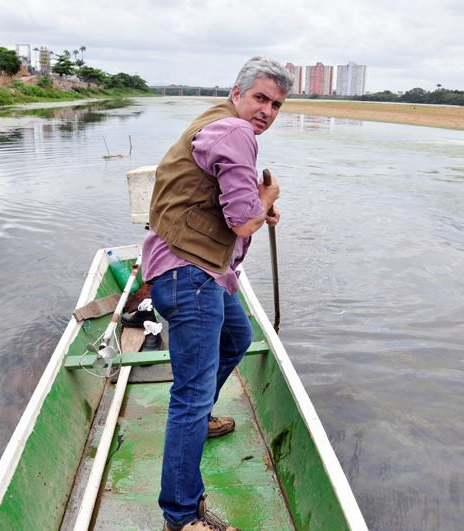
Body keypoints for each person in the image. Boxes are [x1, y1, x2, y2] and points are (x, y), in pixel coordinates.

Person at [141, 57, 293, 531]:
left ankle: (202, 416)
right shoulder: (236, 132)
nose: (266, 111)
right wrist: (264, 203)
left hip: (191, 267)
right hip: (190, 277)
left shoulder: (216, 122)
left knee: (236, 337)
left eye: (276, 104)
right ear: (237, 93)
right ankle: (181, 516)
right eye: (260, 98)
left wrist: (255, 205)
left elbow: (232, 206)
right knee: (187, 396)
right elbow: (243, 221)